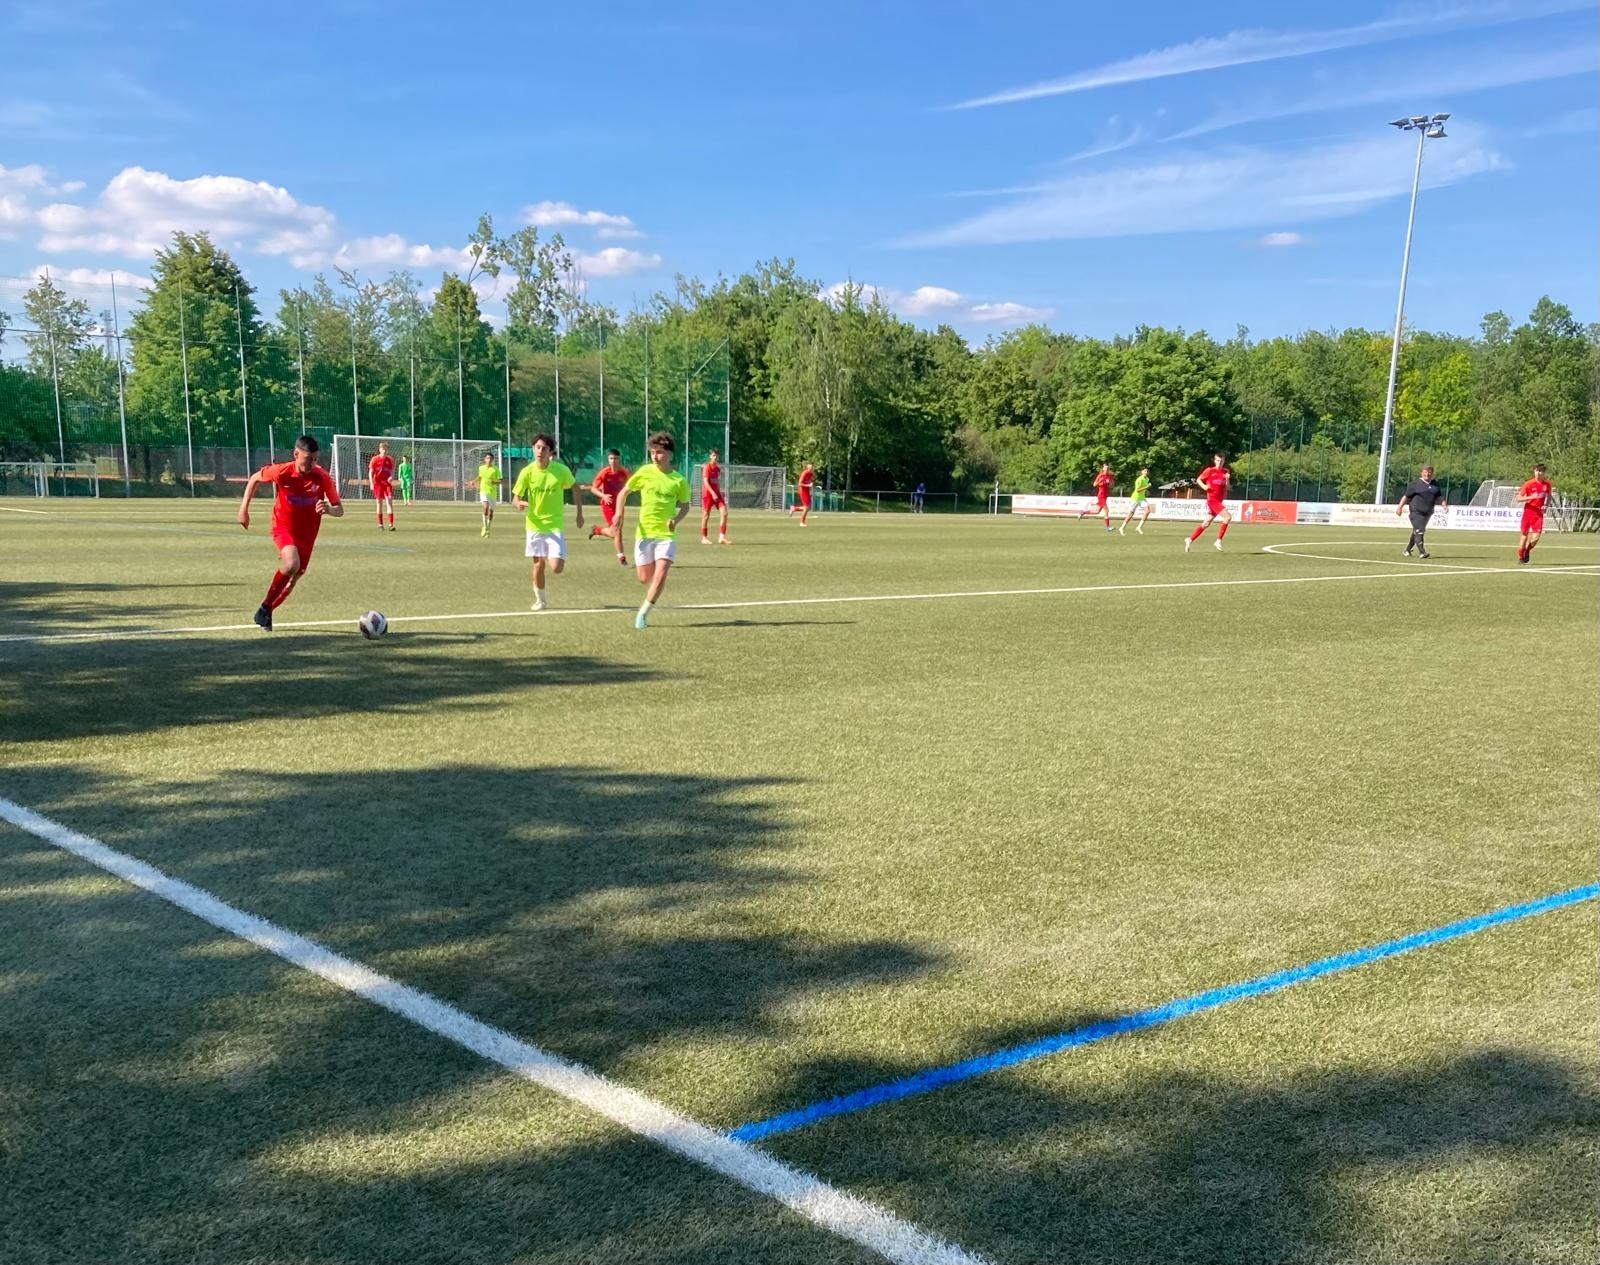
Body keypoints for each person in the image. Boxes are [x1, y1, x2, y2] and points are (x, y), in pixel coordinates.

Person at [238, 434, 343, 631]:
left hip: (307, 536)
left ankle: (266, 610)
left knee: (292, 581)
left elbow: (340, 509)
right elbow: (254, 479)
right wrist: (244, 509)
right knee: (292, 564)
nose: (312, 464)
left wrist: (329, 509)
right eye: (308, 459)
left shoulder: (321, 477)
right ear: (296, 454)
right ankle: (265, 609)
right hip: (283, 527)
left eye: (315, 459)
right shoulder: (282, 472)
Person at [612, 431, 691, 629]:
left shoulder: (679, 481)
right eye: (652, 452)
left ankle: (643, 614)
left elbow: (685, 506)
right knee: (644, 578)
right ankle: (655, 585)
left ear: (670, 454)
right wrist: (619, 513)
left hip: (666, 535)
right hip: (644, 533)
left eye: (660, 452)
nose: (655, 456)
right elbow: (623, 492)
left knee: (660, 574)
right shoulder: (645, 472)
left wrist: (676, 520)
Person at [510, 434, 584, 610]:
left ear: (550, 452)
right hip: (534, 525)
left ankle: (553, 561)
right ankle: (540, 600)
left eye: (544, 448)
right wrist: (519, 503)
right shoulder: (527, 472)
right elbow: (515, 498)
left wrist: (579, 514)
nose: (540, 451)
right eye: (537, 447)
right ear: (533, 449)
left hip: (554, 525)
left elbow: (575, 488)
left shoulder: (561, 470)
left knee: (557, 567)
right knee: (538, 564)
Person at [588, 448, 630, 565]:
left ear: (619, 459)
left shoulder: (624, 473)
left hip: (619, 506)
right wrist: (603, 495)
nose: (613, 461)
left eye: (615, 458)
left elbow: (629, 486)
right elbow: (593, 489)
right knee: (616, 531)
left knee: (614, 532)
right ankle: (622, 558)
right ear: (608, 459)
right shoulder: (604, 473)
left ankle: (597, 530)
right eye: (611, 458)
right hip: (608, 506)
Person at [1396, 464, 1447, 558]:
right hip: (1416, 511)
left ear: (1432, 473)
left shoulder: (1435, 484)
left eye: (1429, 472)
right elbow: (1406, 496)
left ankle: (1407, 549)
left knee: (1417, 531)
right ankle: (1422, 552)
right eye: (1425, 472)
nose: (1427, 474)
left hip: (1428, 512)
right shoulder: (1415, 484)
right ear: (1422, 473)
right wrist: (1400, 507)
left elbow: (1439, 496)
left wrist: (1444, 505)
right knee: (1420, 530)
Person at [1185, 454, 1232, 552]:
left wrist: (1227, 479)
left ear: (1224, 461)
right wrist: (1204, 486)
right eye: (1218, 460)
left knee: (1206, 523)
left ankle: (1190, 539)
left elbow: (1228, 487)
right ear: (1215, 461)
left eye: (1221, 461)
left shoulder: (1226, 472)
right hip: (1212, 500)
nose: (1220, 463)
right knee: (1227, 517)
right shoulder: (1210, 470)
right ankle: (1218, 541)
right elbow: (1198, 479)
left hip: (1219, 500)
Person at [1515, 463, 1552, 564]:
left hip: (1538, 513)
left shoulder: (1547, 484)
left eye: (1541, 471)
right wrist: (1531, 497)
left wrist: (1546, 505)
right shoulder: (1528, 484)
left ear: (1544, 473)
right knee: (1524, 536)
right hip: (1528, 512)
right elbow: (1518, 498)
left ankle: (1527, 550)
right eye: (1537, 471)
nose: (1538, 473)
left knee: (1536, 537)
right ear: (1534, 471)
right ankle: (1521, 558)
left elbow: (1549, 496)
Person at [700, 446, 730, 545]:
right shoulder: (707, 467)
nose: (715, 457)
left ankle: (722, 538)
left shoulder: (717, 469)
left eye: (716, 456)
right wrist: (712, 493)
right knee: (706, 515)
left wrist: (718, 493)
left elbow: (716, 482)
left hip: (717, 494)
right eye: (713, 455)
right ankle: (704, 538)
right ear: (710, 456)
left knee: (724, 512)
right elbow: (706, 482)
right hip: (708, 494)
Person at [368, 441, 396, 531]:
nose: (384, 451)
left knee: (389, 501)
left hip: (387, 484)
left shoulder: (390, 460)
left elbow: (392, 471)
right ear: (379, 450)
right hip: (378, 484)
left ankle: (391, 524)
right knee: (379, 503)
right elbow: (371, 472)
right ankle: (380, 524)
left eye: (386, 449)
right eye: (382, 449)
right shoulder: (375, 459)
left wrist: (391, 477)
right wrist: (371, 483)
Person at [473, 454, 503, 538]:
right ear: (485, 459)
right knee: (485, 508)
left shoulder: (495, 469)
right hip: (483, 491)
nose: (489, 459)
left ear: (492, 460)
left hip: (492, 493)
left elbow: (500, 481)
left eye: (490, 458)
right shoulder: (481, 468)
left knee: (491, 512)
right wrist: (474, 481)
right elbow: (480, 477)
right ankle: (484, 527)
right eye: (487, 458)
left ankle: (488, 528)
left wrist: (494, 482)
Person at [1078, 463, 1114, 531]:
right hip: (1101, 495)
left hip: (1105, 496)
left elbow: (1111, 486)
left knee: (1097, 512)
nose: (1107, 469)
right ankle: (1107, 527)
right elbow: (1094, 484)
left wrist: (1111, 482)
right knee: (1106, 510)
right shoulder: (1100, 475)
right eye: (1105, 468)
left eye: (1108, 468)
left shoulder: (1109, 476)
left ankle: (1083, 512)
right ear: (1103, 468)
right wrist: (1100, 481)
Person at [1119, 466, 1154, 535]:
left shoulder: (1147, 479)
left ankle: (1138, 527)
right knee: (1131, 514)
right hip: (1135, 498)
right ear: (1141, 472)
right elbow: (1137, 490)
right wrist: (1147, 487)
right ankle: (1122, 528)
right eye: (1145, 471)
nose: (1146, 472)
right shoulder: (1139, 479)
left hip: (1142, 498)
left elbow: (1144, 489)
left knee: (1147, 511)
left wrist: (1146, 489)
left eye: (1147, 471)